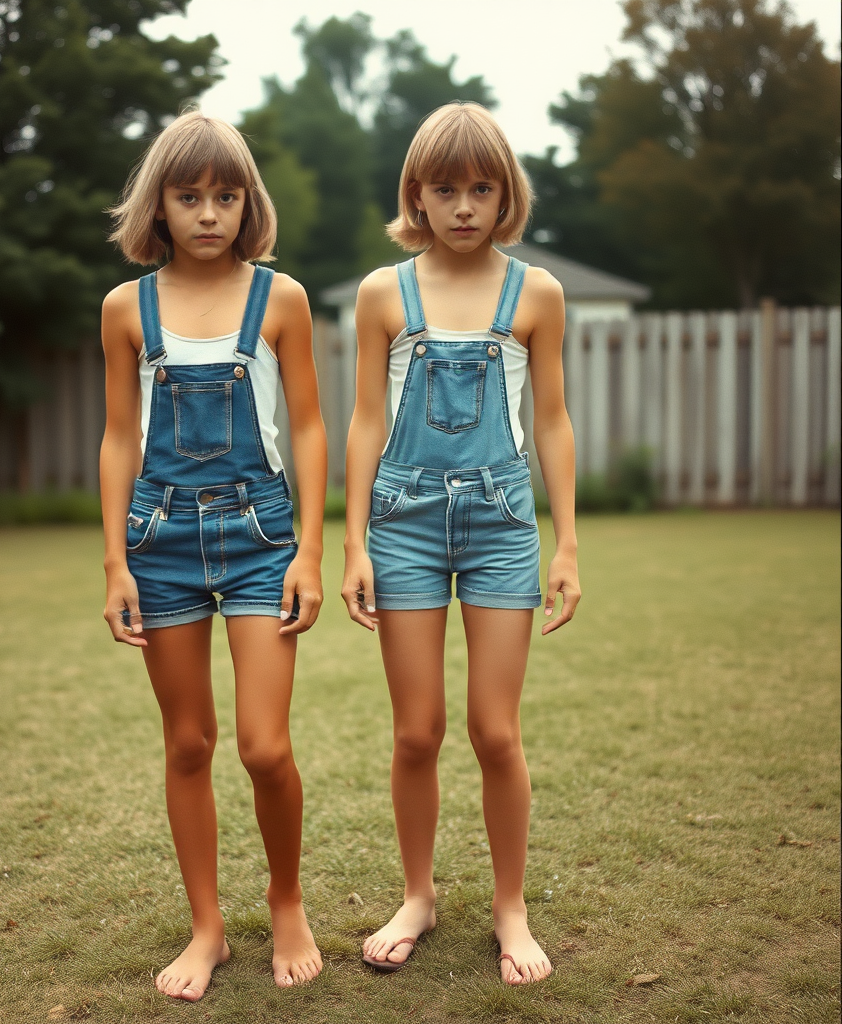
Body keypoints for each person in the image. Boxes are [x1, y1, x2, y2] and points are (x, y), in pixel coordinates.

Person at [342, 102, 580, 985]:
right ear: (418, 195)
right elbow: (366, 419)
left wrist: (567, 545)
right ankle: (418, 895)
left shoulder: (538, 294)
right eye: (447, 189)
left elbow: (550, 421)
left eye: (483, 187)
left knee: (494, 731)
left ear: (504, 193)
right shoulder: (381, 295)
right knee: (417, 732)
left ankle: (509, 909)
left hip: (502, 525)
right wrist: (355, 541)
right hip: (401, 526)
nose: (466, 205)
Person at [100, 110, 327, 1000]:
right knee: (188, 742)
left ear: (247, 203)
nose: (207, 213)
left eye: (225, 196)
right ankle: (208, 929)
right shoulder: (126, 309)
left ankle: (287, 901)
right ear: (160, 203)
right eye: (189, 196)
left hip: (261, 538)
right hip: (157, 545)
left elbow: (306, 426)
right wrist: (114, 560)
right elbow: (120, 437)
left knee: (265, 748)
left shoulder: (284, 299)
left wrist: (312, 548)